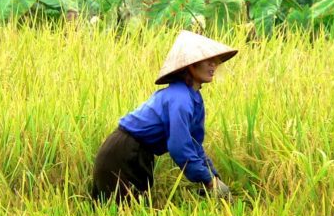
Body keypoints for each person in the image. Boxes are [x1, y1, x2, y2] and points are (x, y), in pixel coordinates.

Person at [91, 30, 238, 202]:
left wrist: (213, 176)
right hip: (123, 152)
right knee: (123, 213)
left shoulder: (194, 98)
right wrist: (207, 179)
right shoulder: (180, 98)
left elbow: (194, 143)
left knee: (132, 212)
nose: (213, 65)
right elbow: (179, 146)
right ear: (191, 65)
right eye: (207, 60)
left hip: (139, 152)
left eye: (215, 60)